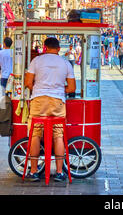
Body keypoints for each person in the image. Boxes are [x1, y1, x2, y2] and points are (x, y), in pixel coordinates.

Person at [24, 37, 76, 182]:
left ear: (45, 48)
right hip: (57, 101)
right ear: (59, 49)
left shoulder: (36, 61)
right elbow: (72, 88)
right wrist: (58, 88)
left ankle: (34, 171)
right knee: (58, 135)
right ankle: (59, 172)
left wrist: (41, 88)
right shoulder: (66, 63)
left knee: (35, 134)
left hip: (38, 100)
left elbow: (28, 83)